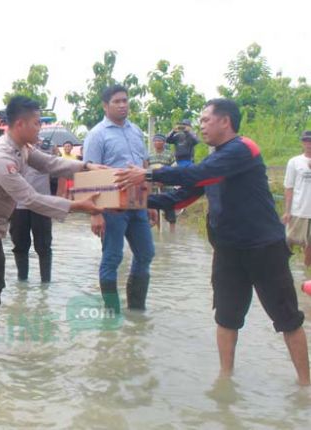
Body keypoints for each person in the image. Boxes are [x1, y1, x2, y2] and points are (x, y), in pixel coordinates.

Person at [115, 98, 310, 385]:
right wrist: (135, 202)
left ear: (225, 121)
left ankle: (305, 385)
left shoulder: (244, 149)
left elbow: (198, 173)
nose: (201, 126)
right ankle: (225, 380)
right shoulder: (213, 161)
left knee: (287, 318)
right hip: (228, 250)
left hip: (263, 248)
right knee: (226, 317)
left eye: (206, 120)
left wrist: (146, 173)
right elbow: (182, 195)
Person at [0, 96, 104, 352]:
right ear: (21, 124)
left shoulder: (21, 146)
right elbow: (30, 199)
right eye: (37, 123)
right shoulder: (2, 158)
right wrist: (80, 206)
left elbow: (50, 163)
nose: (40, 128)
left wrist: (87, 167)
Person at [83, 84, 155, 313]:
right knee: (112, 258)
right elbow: (88, 175)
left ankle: (136, 310)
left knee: (146, 253)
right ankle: (112, 313)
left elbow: (144, 168)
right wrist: (95, 214)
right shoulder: (97, 135)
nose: (123, 105)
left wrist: (150, 202)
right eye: (117, 101)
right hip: (111, 207)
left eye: (125, 100)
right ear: (105, 106)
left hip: (137, 204)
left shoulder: (135, 131)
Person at [9, 137, 56, 283]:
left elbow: (57, 170)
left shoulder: (47, 146)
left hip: (41, 203)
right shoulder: (12, 147)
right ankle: (21, 281)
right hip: (18, 205)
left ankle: (46, 283)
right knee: (19, 245)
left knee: (44, 246)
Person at [283, 131, 311, 268]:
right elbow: (289, 187)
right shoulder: (294, 162)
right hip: (298, 209)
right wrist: (287, 211)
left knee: (310, 247)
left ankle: (307, 275)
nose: (309, 144)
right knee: (289, 241)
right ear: (302, 143)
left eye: (310, 141)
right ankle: (283, 269)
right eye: (306, 141)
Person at [148, 133, 177, 232]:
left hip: (167, 187)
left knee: (170, 210)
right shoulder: (149, 155)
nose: (157, 143)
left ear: (164, 142)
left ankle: (172, 233)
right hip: (154, 187)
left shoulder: (170, 154)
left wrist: (165, 181)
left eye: (160, 141)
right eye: (155, 141)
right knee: (155, 211)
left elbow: (174, 169)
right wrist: (154, 181)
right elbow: (147, 171)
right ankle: (158, 231)